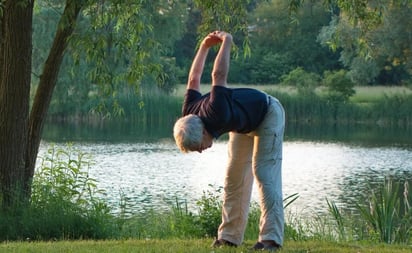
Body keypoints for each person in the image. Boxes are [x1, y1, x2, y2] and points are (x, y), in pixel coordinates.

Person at [173, 31, 285, 251]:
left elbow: (218, 75)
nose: (201, 151)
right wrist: (204, 46)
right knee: (234, 177)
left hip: (268, 113)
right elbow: (194, 78)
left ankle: (271, 239)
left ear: (204, 132)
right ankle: (229, 237)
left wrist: (227, 42)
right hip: (243, 124)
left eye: (198, 147)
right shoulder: (189, 113)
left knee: (264, 173)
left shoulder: (217, 111)